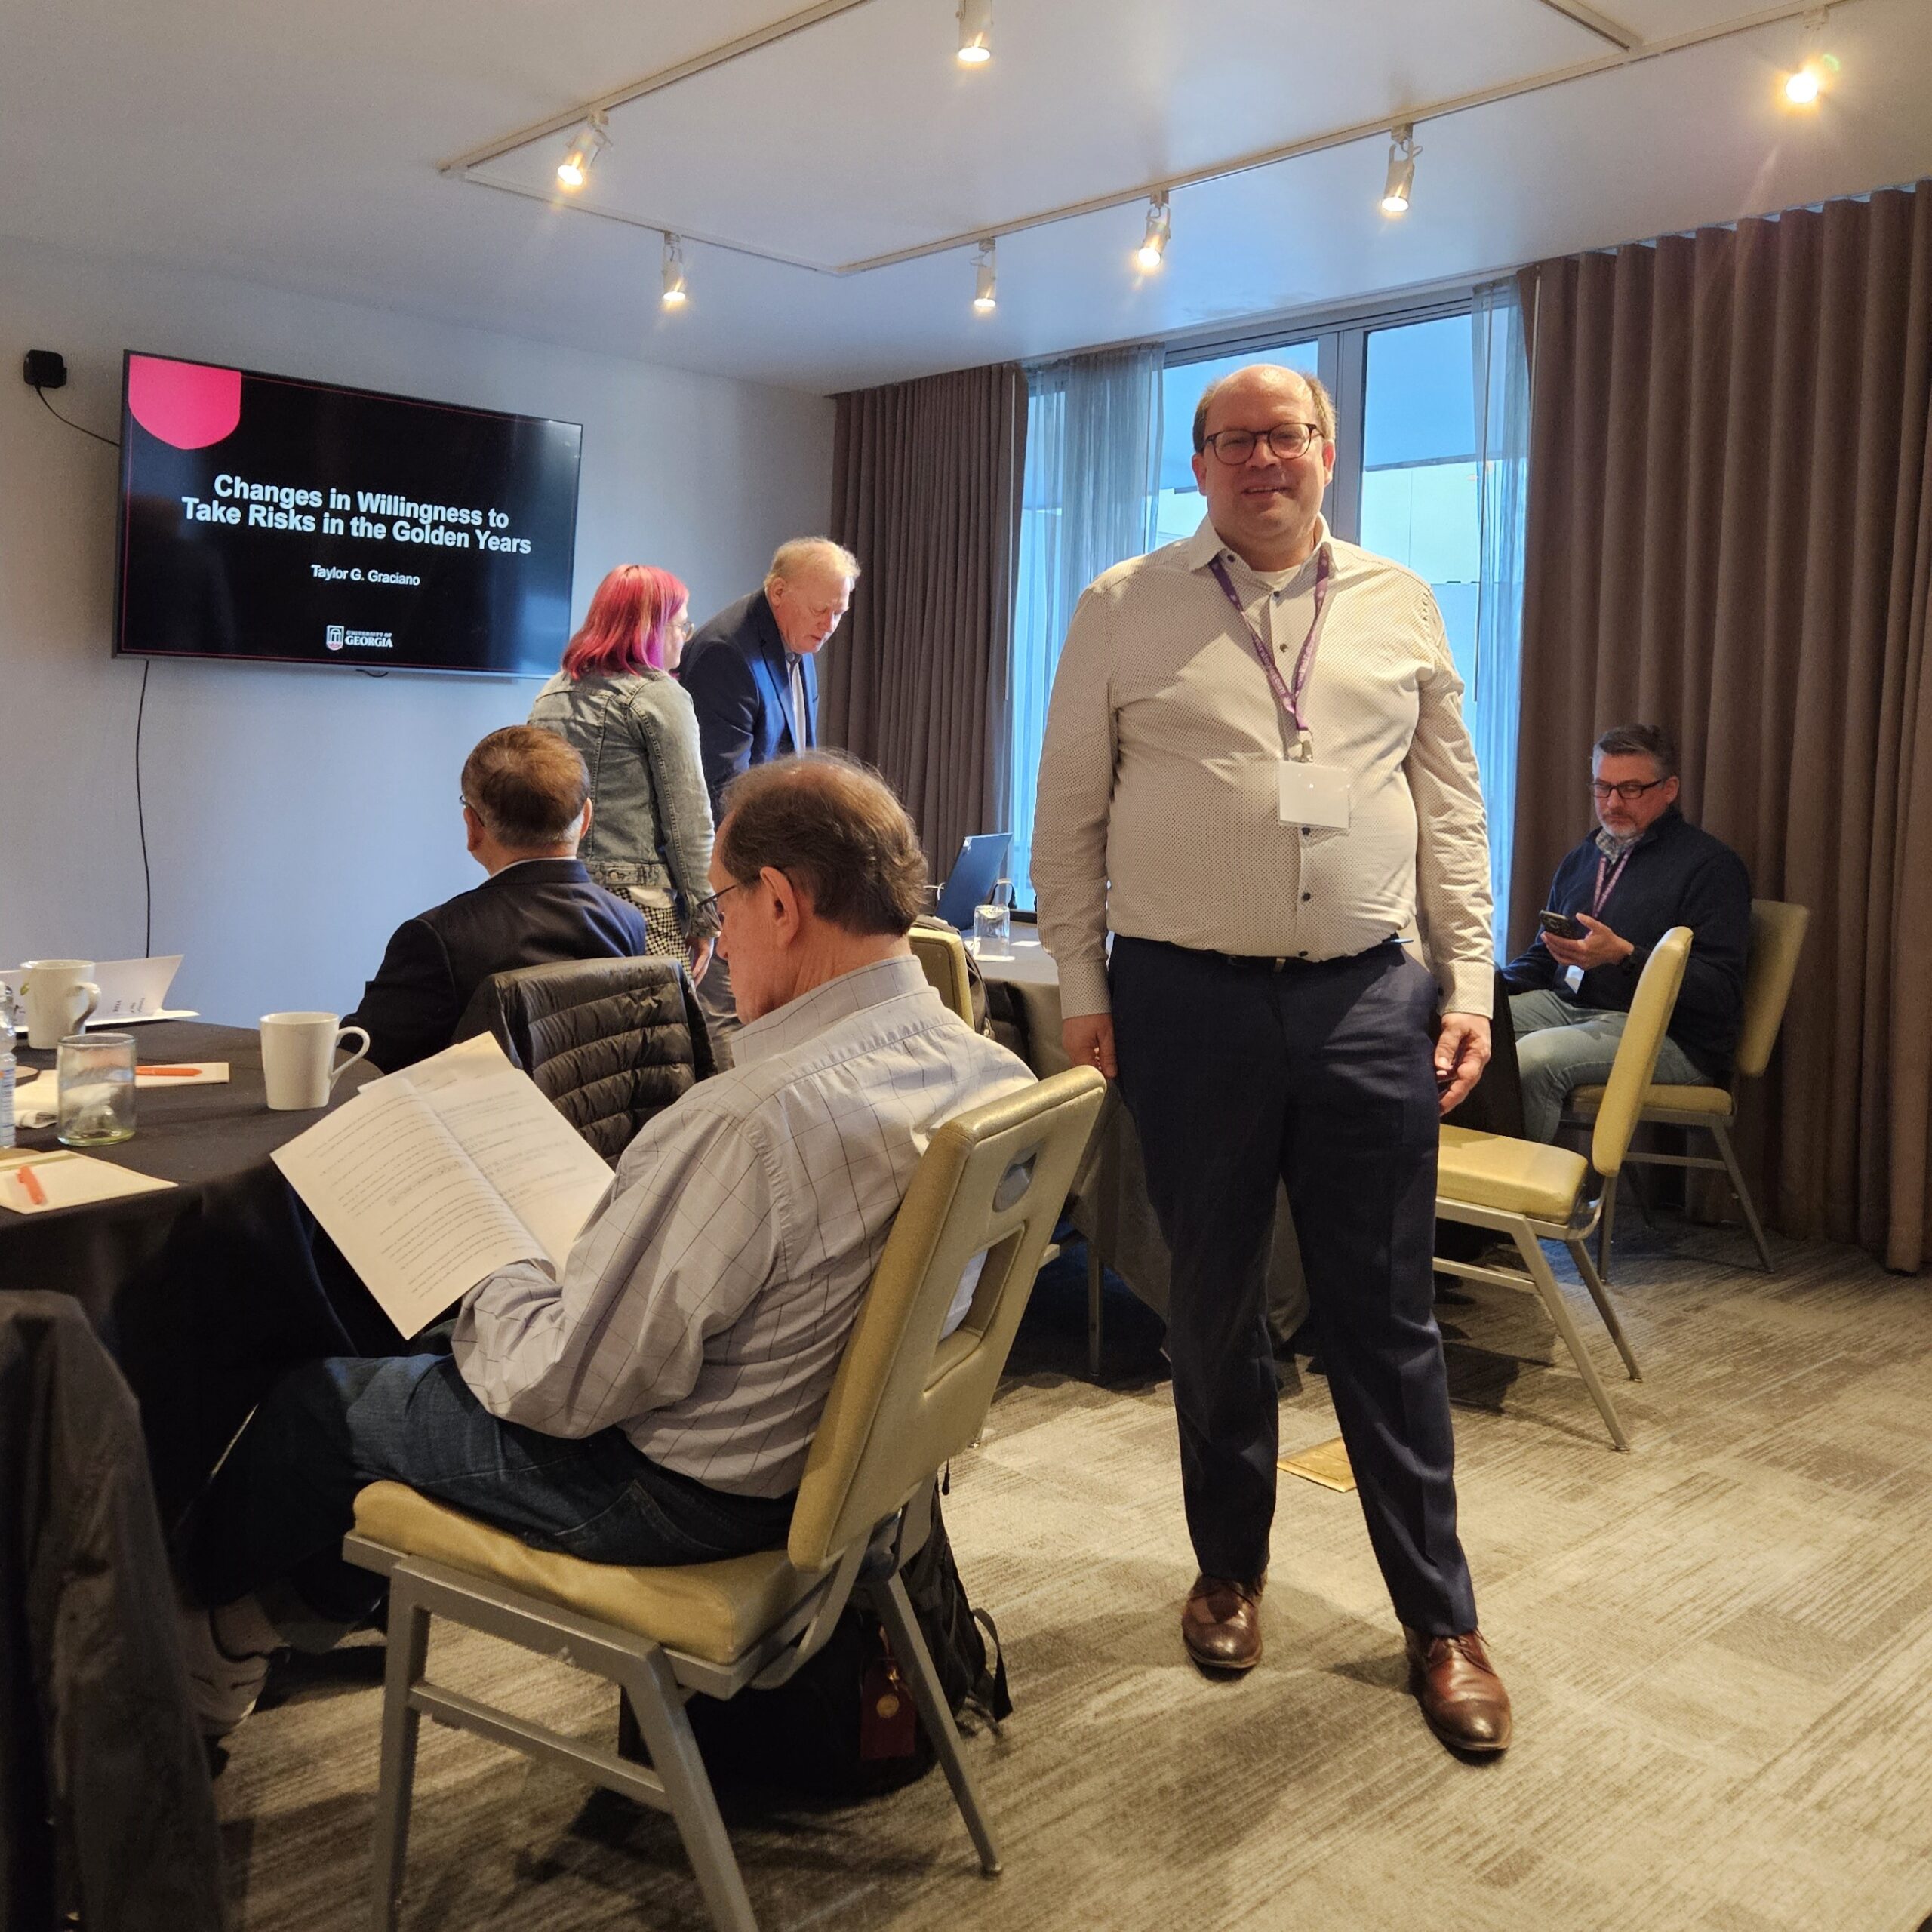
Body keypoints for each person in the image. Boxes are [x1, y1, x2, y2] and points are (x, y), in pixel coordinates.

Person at [176, 752, 1032, 1739]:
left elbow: (568, 1387)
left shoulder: (756, 1123)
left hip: (678, 1498)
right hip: (836, 1479)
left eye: (722, 906)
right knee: (420, 1373)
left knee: (317, 1408)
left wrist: (494, 1266)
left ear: (783, 904)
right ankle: (264, 1631)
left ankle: (193, 1661)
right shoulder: (988, 1072)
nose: (720, 940)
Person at [1032, 362, 1510, 1754]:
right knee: (1214, 1304)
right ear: (1201, 463)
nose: (1263, 461)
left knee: (1387, 1316)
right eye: (1233, 441)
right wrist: (1080, 976)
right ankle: (1230, 1567)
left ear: (1326, 448)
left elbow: (1452, 809)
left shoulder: (1401, 601)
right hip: (1185, 999)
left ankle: (1443, 1619)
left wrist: (1466, 974)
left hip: (1369, 995)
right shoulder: (1125, 604)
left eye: (1285, 437)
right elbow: (1067, 813)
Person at [344, 726, 647, 1073]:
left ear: (472, 827)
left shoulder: (436, 940)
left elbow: (358, 1061)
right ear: (585, 821)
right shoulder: (627, 923)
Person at [1503, 722, 1752, 1143]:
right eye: (1602, 788)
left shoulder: (1711, 867)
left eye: (1631, 789)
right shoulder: (1585, 857)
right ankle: (1462, 1191)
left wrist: (1625, 955)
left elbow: (1720, 992)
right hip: (1572, 1007)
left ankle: (1527, 1200)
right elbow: (1543, 958)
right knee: (1465, 1028)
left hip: (1669, 1035)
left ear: (1669, 789)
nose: (1613, 803)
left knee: (1534, 1060)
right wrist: (1484, 987)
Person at [681, 538, 861, 1056]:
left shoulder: (797, 640)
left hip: (779, 874)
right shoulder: (726, 652)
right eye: (821, 609)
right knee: (733, 1029)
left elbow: (794, 755)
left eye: (840, 612)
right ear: (778, 591)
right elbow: (723, 790)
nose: (830, 624)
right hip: (737, 877)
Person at [528, 563, 718, 983]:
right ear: (651, 627)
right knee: (657, 1039)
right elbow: (688, 817)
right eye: (681, 626)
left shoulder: (552, 693)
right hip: (637, 907)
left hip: (555, 895)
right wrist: (706, 914)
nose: (684, 639)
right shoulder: (659, 696)